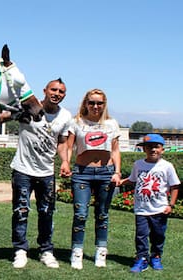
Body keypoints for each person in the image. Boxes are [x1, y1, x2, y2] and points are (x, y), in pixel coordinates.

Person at [0, 78, 72, 269]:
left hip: (46, 173)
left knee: (47, 213)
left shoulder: (65, 116)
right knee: (20, 212)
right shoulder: (29, 108)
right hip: (23, 170)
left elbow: (62, 143)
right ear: (45, 90)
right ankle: (20, 251)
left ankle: (46, 251)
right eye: (53, 89)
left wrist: (65, 161)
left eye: (61, 91)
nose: (57, 94)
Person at [67, 88, 121, 269]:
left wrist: (117, 171)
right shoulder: (76, 122)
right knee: (80, 214)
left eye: (99, 103)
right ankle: (76, 252)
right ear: (85, 104)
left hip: (106, 172)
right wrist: (65, 163)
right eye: (92, 102)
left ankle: (101, 252)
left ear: (104, 105)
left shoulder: (111, 123)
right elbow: (68, 147)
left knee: (102, 215)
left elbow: (115, 150)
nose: (95, 106)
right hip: (83, 173)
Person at [120, 134, 180, 273]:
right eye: (149, 147)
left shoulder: (167, 166)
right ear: (144, 149)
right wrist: (121, 181)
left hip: (159, 209)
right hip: (141, 208)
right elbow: (133, 179)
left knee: (158, 235)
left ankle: (156, 256)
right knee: (141, 235)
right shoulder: (138, 164)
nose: (153, 150)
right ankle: (141, 258)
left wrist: (170, 205)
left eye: (156, 147)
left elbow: (174, 186)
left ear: (162, 150)